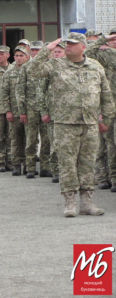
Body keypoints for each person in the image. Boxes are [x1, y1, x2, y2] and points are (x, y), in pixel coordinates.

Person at [27, 33, 115, 217]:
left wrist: (106, 119)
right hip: (65, 124)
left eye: (73, 44)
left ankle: (87, 202)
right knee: (67, 164)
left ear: (83, 47)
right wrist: (47, 50)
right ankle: (70, 202)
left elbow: (106, 95)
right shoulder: (56, 65)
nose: (68, 46)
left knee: (87, 164)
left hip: (89, 123)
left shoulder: (95, 66)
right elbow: (32, 71)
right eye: (67, 43)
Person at [85, 33, 116, 192]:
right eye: (114, 39)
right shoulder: (103, 55)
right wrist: (104, 40)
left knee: (113, 144)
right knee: (102, 144)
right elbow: (87, 52)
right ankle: (103, 177)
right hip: (104, 106)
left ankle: (114, 177)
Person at [16, 41, 51, 178]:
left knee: (47, 140)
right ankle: (30, 168)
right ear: (30, 51)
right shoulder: (26, 68)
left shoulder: (49, 66)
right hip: (31, 109)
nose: (36, 53)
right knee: (31, 140)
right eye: (34, 51)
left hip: (46, 110)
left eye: (38, 50)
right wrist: (22, 111)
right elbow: (20, 90)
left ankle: (45, 167)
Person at [37, 41, 66, 183]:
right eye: (55, 52)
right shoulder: (49, 68)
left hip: (69, 115)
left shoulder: (70, 67)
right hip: (53, 114)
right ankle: (56, 171)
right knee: (54, 144)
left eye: (59, 51)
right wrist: (44, 111)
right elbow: (40, 92)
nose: (56, 54)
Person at [0, 46, 29, 176]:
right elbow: (4, 93)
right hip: (14, 111)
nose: (18, 58)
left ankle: (29, 165)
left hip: (29, 112)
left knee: (30, 140)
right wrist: (8, 111)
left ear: (27, 57)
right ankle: (16, 165)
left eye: (21, 55)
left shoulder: (31, 71)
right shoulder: (9, 73)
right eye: (16, 56)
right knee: (15, 140)